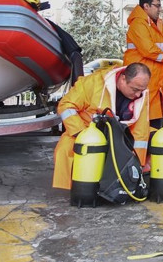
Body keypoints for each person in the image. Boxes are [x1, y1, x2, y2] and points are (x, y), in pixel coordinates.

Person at [52, 62, 151, 190]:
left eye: (141, 90)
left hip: (121, 136)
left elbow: (140, 131)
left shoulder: (142, 93)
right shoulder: (93, 83)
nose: (138, 95)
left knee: (159, 140)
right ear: (122, 79)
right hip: (85, 130)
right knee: (65, 149)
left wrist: (137, 163)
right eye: (135, 90)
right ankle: (79, 189)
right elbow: (66, 105)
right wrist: (82, 134)